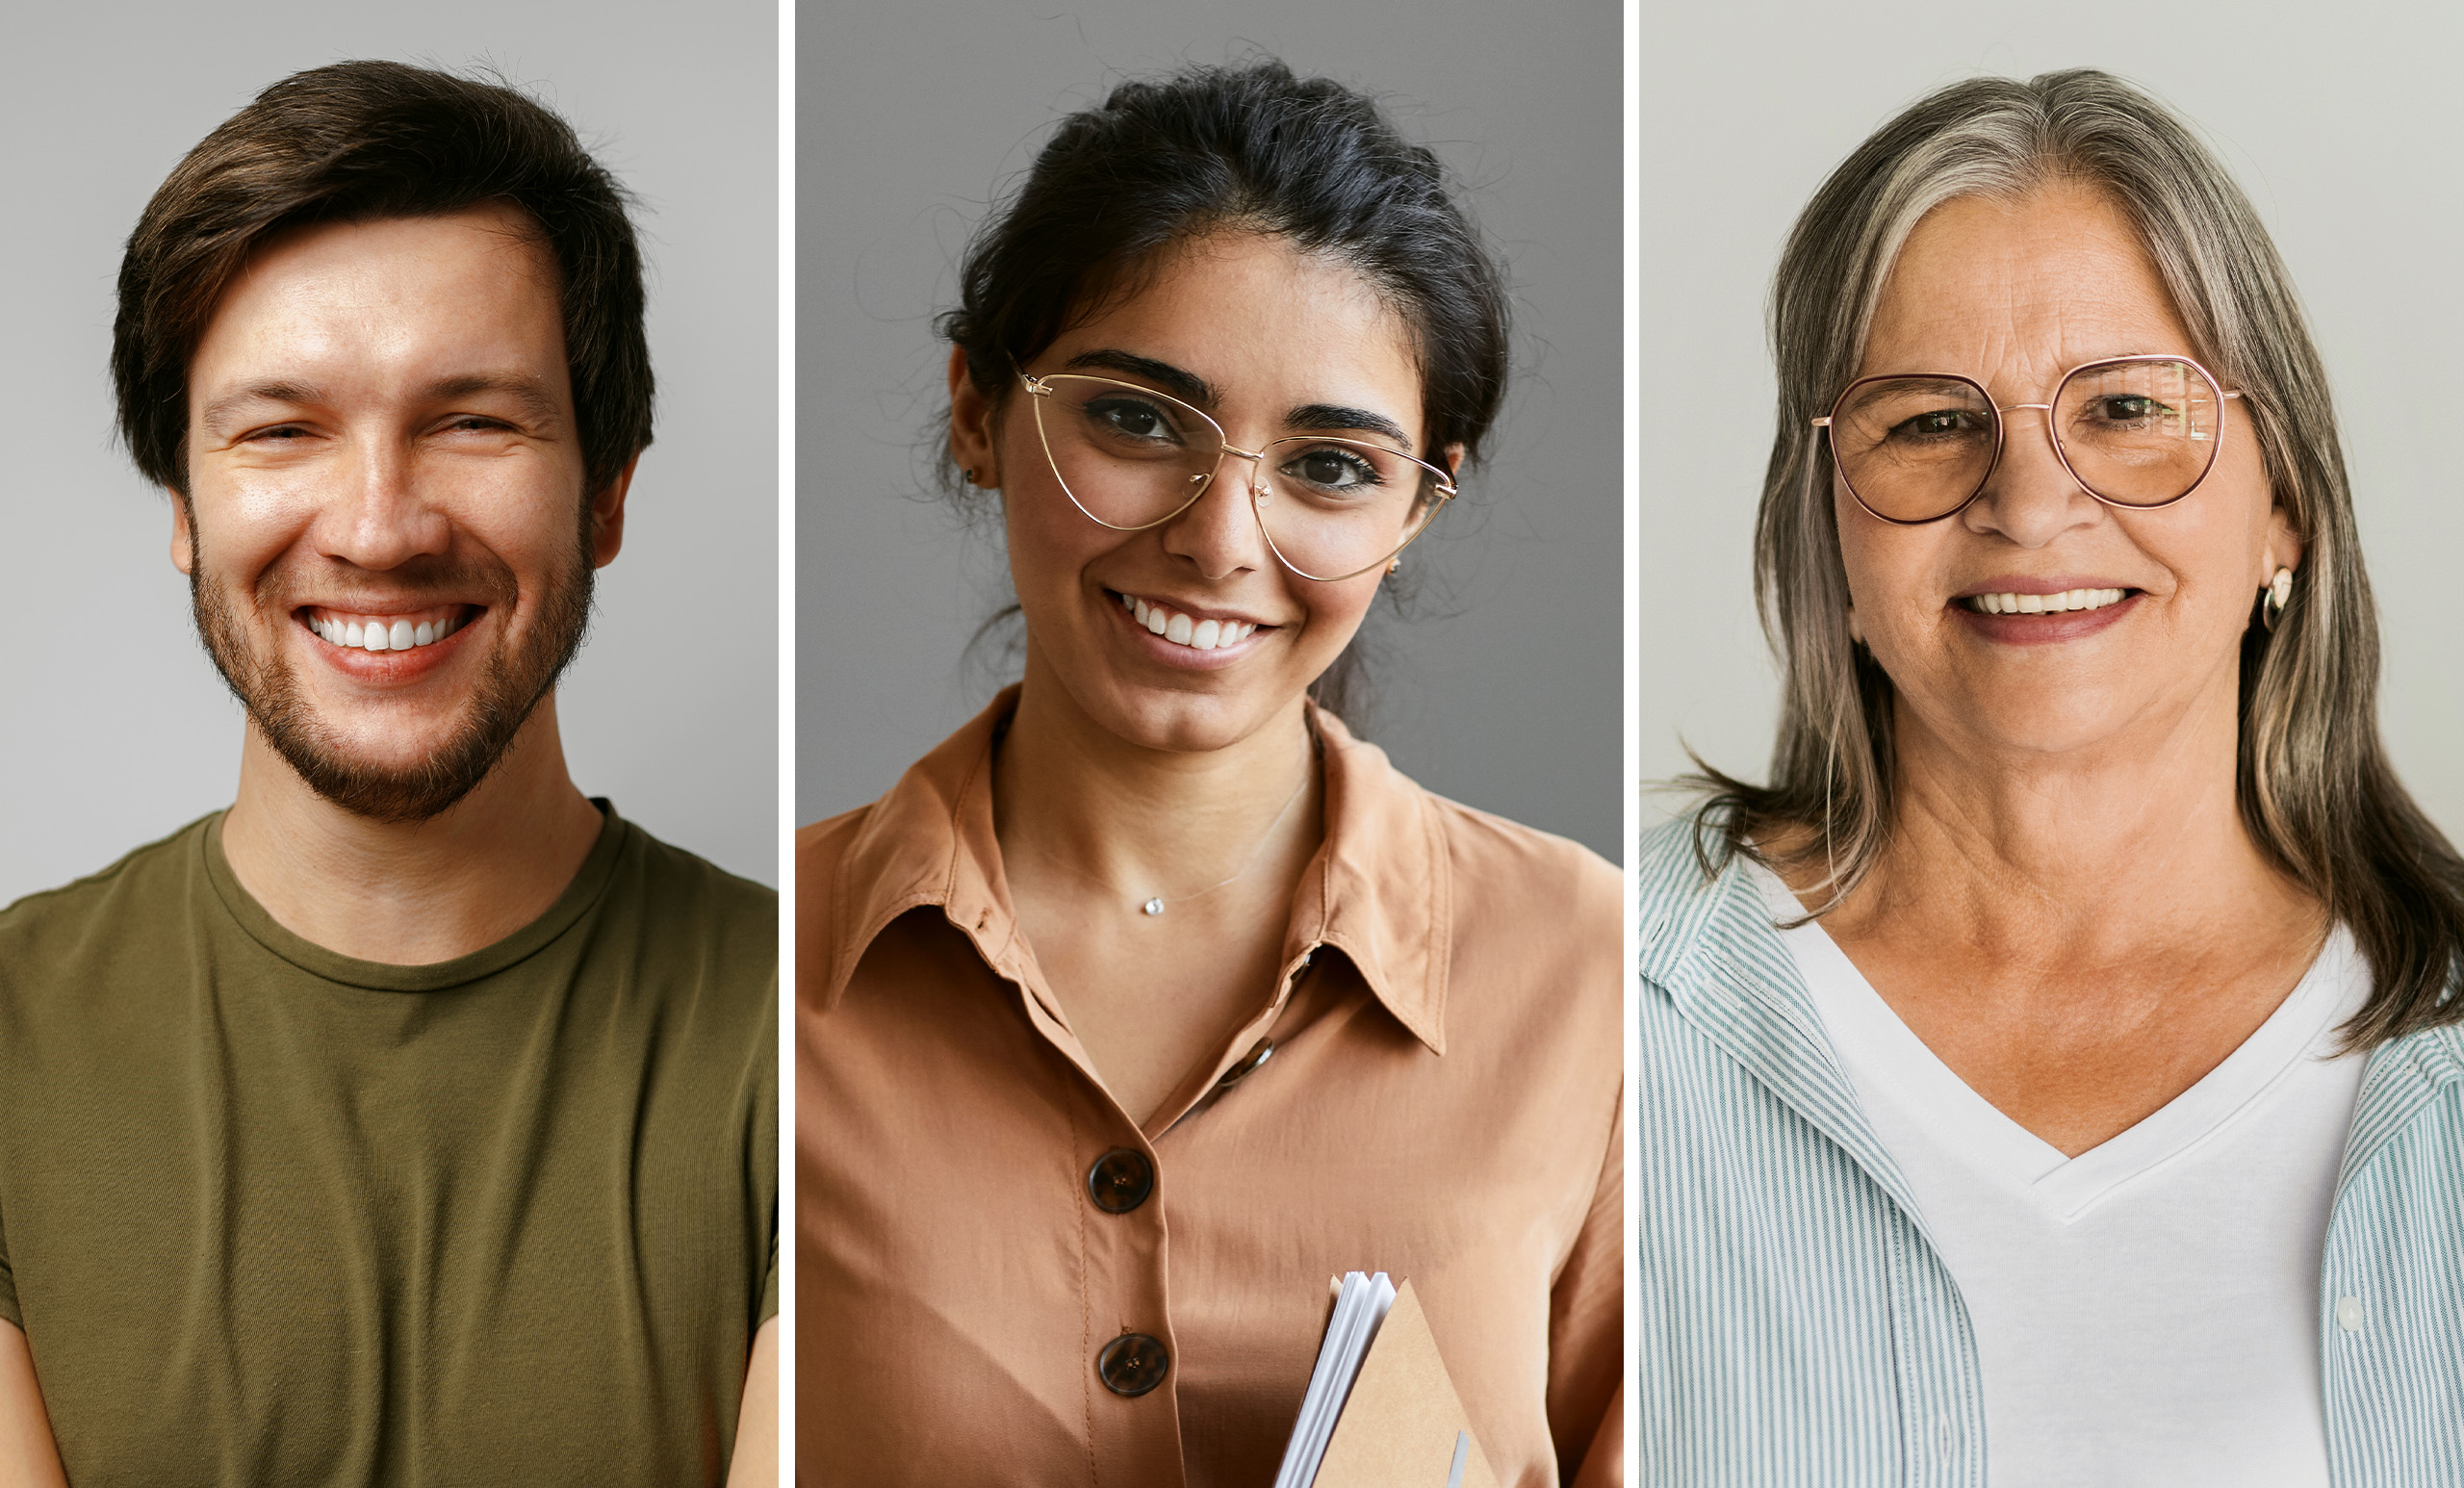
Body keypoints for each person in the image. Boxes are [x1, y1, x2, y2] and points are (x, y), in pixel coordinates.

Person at [796, 60, 1622, 1487]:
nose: (1223, 539)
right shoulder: (763, 976)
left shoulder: (1591, 974)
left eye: (1331, 466)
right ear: (977, 410)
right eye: (1135, 419)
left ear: (1419, 507)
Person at [1637, 69, 2464, 1485]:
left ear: (2286, 509)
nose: (2028, 504)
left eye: (2131, 407)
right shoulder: (1604, 1009)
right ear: (1825, 535)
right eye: (1928, 421)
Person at [0, 62, 776, 1486]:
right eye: (281, 427)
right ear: (182, 499)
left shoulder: (817, 1030)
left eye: (473, 419)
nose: (377, 526)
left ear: (606, 488)